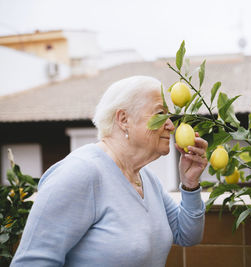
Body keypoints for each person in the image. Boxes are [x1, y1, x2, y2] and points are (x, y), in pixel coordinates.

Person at [11, 76, 208, 267]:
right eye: (160, 114)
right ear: (123, 119)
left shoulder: (147, 179)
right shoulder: (78, 173)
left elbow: (187, 235)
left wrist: (190, 184)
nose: (171, 126)